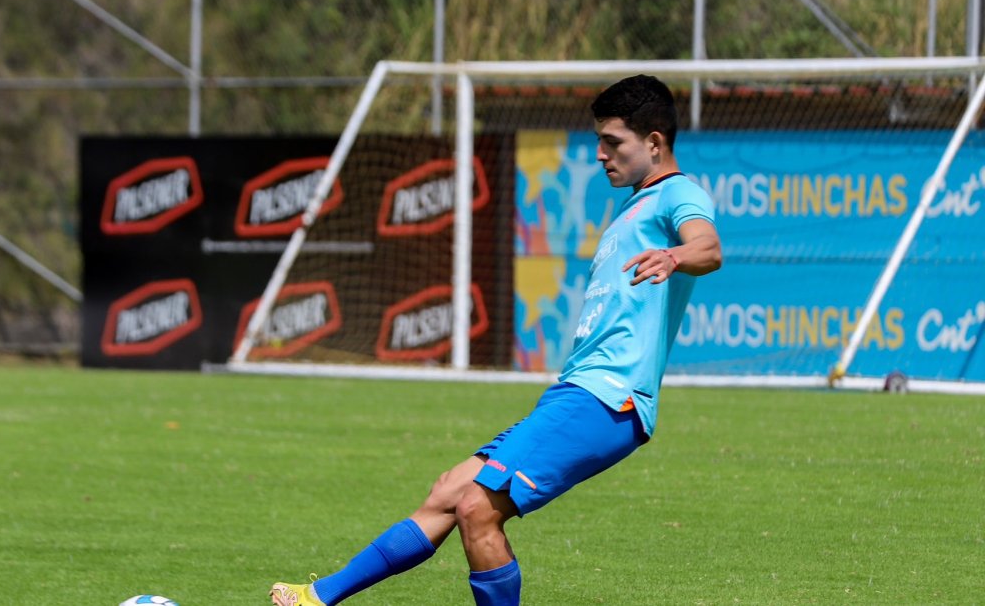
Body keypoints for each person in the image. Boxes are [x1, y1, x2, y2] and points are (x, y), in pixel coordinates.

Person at [269, 75, 722, 605]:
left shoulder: (679, 193)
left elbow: (708, 246)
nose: (600, 154)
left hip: (609, 397)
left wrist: (674, 257)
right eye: (599, 141)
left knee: (477, 510)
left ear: (654, 142)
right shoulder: (632, 207)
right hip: (577, 391)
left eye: (613, 142)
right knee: (448, 494)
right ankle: (316, 598)